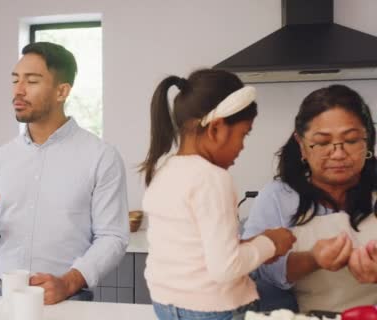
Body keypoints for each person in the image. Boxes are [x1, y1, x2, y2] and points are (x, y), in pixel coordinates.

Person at [0, 42, 129, 305]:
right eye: (15, 80)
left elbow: (113, 237)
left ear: (62, 91)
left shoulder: (101, 156)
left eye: (32, 81)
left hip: (66, 298)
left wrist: (68, 282)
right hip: (2, 296)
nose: (18, 90)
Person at [139, 69, 296, 320]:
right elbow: (225, 269)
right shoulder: (212, 178)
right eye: (243, 134)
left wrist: (253, 245)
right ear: (216, 129)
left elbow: (194, 253)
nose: (243, 146)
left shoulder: (164, 170)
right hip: (212, 310)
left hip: (166, 305)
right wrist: (271, 243)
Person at [243, 84, 377, 313]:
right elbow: (255, 268)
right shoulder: (278, 196)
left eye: (352, 140)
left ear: (368, 141)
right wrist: (313, 259)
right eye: (323, 142)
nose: (338, 153)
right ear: (302, 145)